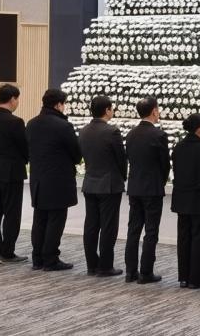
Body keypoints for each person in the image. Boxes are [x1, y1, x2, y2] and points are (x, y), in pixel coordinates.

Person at [26, 89, 82, 271]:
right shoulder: (63, 126)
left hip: (38, 179)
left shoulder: (32, 124)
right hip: (58, 180)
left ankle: (37, 259)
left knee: (39, 219)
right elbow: (76, 155)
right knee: (56, 220)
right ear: (58, 104)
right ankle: (50, 259)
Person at [79, 95, 127, 277]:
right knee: (108, 226)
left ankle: (92, 264)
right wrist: (122, 177)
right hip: (109, 184)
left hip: (90, 183)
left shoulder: (84, 130)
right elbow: (121, 159)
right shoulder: (112, 131)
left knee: (91, 225)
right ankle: (105, 266)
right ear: (107, 110)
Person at [124, 97, 170, 284]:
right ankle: (146, 272)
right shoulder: (158, 135)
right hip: (152, 188)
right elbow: (165, 164)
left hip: (134, 187)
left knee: (133, 230)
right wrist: (161, 181)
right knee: (151, 231)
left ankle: (130, 272)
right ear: (154, 111)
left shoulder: (131, 134)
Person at [171, 113, 200, 289]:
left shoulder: (178, 147)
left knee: (183, 238)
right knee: (199, 238)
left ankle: (183, 277)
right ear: (199, 129)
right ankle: (197, 277)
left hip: (182, 199)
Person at [0, 84, 29, 264]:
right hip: (11, 172)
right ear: (12, 99)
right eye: (17, 99)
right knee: (12, 213)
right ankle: (7, 252)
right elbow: (24, 147)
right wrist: (26, 158)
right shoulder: (16, 122)